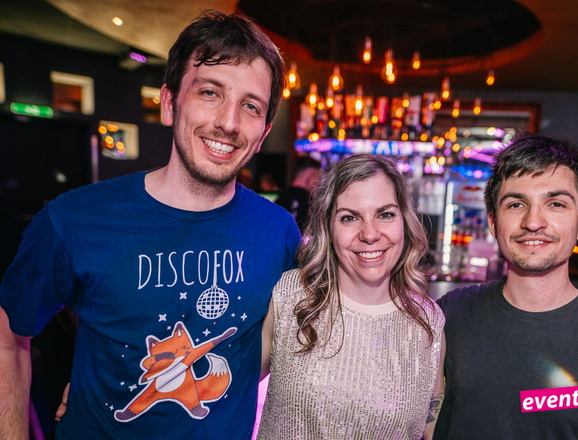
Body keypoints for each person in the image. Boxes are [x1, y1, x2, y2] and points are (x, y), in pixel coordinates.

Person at [0, 11, 300, 440]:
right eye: (210, 92)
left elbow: (268, 347)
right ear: (169, 103)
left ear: (264, 131)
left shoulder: (279, 232)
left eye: (250, 106)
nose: (229, 122)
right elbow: (8, 338)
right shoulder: (73, 220)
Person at [433, 132, 578, 439]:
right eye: (516, 204)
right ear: (493, 222)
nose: (533, 222)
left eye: (555, 203)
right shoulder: (450, 315)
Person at [257, 154, 446, 439]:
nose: (369, 234)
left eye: (385, 214)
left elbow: (433, 431)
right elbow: (227, 394)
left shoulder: (427, 323)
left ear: (405, 222)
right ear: (328, 228)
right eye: (349, 217)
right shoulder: (290, 296)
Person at [275, 155, 323, 231]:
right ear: (310, 175)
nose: (319, 183)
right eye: (318, 177)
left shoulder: (280, 199)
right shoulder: (307, 203)